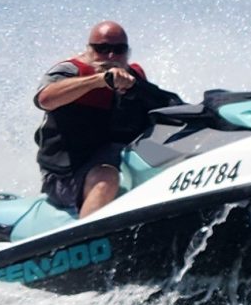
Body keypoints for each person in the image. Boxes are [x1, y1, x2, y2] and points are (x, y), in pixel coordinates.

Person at [33, 20, 180, 217]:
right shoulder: (69, 71)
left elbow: (169, 107)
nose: (110, 56)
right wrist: (99, 81)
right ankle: (87, 239)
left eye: (118, 49)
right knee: (105, 176)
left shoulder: (134, 78)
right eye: (102, 48)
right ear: (89, 49)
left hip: (119, 161)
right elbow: (45, 99)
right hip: (65, 176)